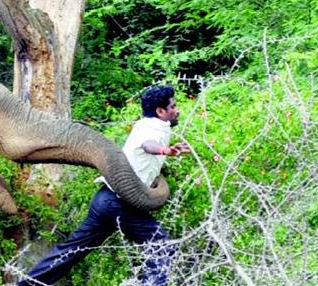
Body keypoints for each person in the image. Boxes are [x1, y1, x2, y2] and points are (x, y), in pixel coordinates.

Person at [17, 85, 190, 286]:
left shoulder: (148, 125)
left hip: (105, 200)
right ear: (160, 111)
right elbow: (147, 145)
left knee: (71, 252)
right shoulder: (152, 128)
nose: (177, 110)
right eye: (173, 106)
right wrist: (164, 151)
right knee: (163, 246)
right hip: (120, 204)